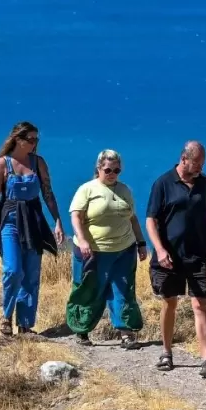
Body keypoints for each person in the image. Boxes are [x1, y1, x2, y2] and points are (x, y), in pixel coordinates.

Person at [145, 141, 206, 375]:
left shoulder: (204, 183)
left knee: (200, 303)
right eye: (197, 163)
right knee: (170, 301)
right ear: (184, 159)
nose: (201, 167)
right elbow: (151, 220)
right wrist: (160, 250)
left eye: (203, 163)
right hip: (170, 256)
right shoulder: (163, 183)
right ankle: (166, 352)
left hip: (199, 254)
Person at [0, 122, 64, 338]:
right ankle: (6, 316)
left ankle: (25, 324)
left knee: (31, 272)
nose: (34, 143)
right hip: (10, 220)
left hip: (33, 220)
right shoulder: (2, 164)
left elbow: (48, 193)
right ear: (18, 139)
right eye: (30, 139)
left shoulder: (38, 163)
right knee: (12, 270)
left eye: (36, 139)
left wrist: (57, 221)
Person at [66, 149, 147, 348]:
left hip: (124, 249)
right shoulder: (87, 189)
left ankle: (126, 333)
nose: (112, 174)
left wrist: (141, 242)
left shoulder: (125, 190)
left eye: (116, 170)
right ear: (99, 168)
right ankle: (81, 330)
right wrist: (83, 240)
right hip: (93, 251)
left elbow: (132, 218)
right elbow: (76, 216)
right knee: (89, 289)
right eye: (108, 170)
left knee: (123, 288)